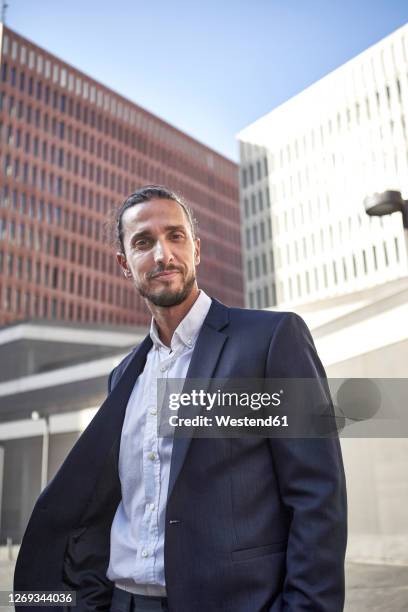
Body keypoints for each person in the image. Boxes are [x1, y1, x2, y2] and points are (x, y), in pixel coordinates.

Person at [14, 185, 347, 612]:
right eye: (143, 242)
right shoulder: (124, 377)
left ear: (197, 249)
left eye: (175, 236)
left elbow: (318, 495)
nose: (162, 255)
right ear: (124, 264)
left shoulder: (269, 341)